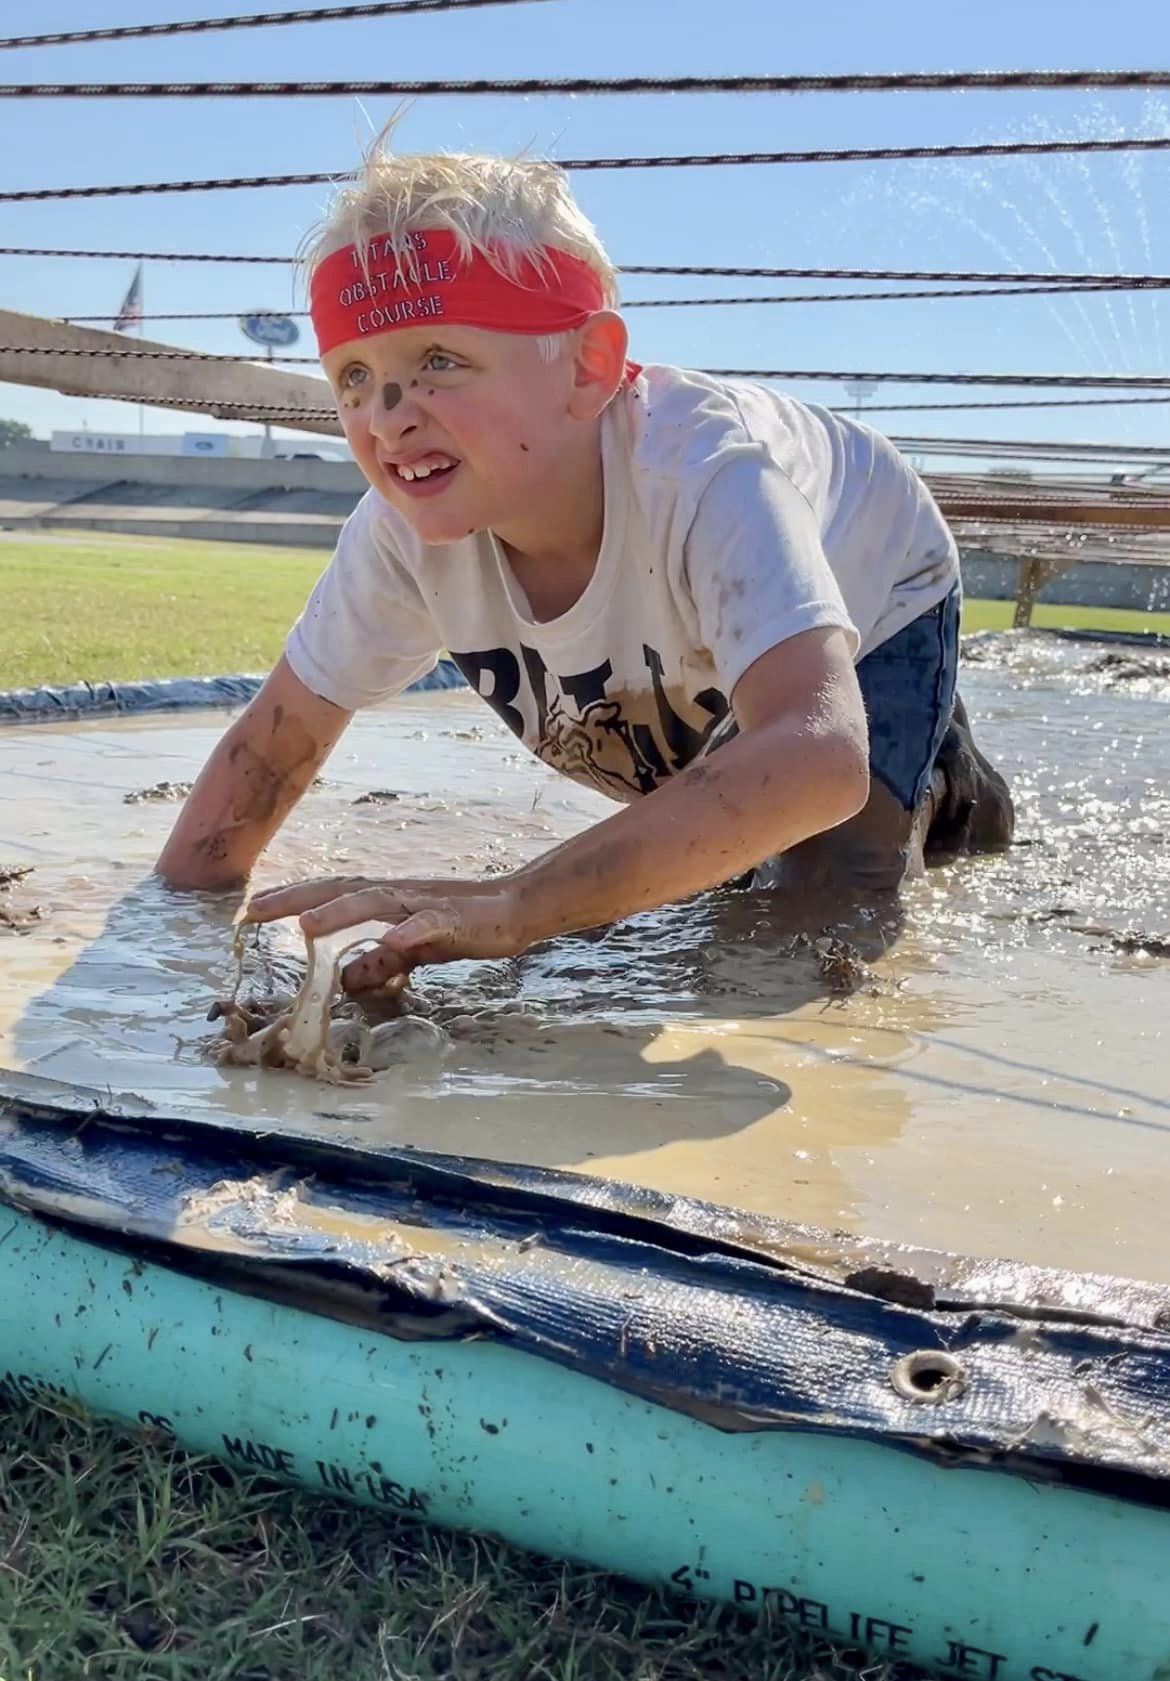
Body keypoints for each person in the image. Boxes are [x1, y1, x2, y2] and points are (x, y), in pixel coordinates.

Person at [157, 142, 1013, 992]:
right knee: (710, 846)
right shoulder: (398, 536)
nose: (386, 420)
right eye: (353, 375)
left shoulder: (704, 473)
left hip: (876, 579)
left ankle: (946, 792)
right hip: (691, 662)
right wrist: (167, 932)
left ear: (589, 367)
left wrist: (520, 903)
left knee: (816, 917)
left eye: (439, 362)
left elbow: (816, 753)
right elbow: (277, 746)